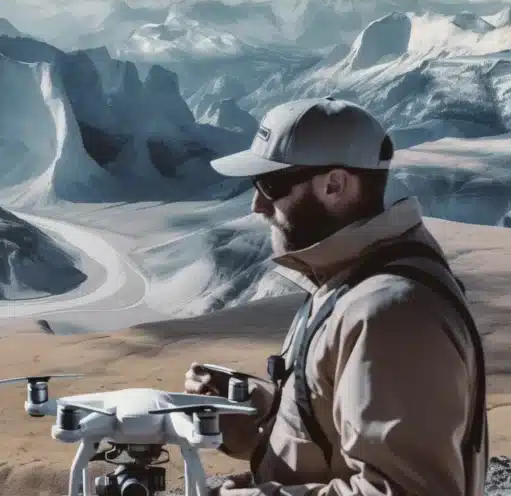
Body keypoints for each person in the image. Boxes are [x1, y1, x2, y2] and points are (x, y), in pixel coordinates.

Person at [185, 97, 488, 495]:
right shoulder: (351, 279)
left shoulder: (393, 314)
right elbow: (334, 431)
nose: (257, 204)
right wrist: (253, 413)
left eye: (271, 185)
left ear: (334, 185)